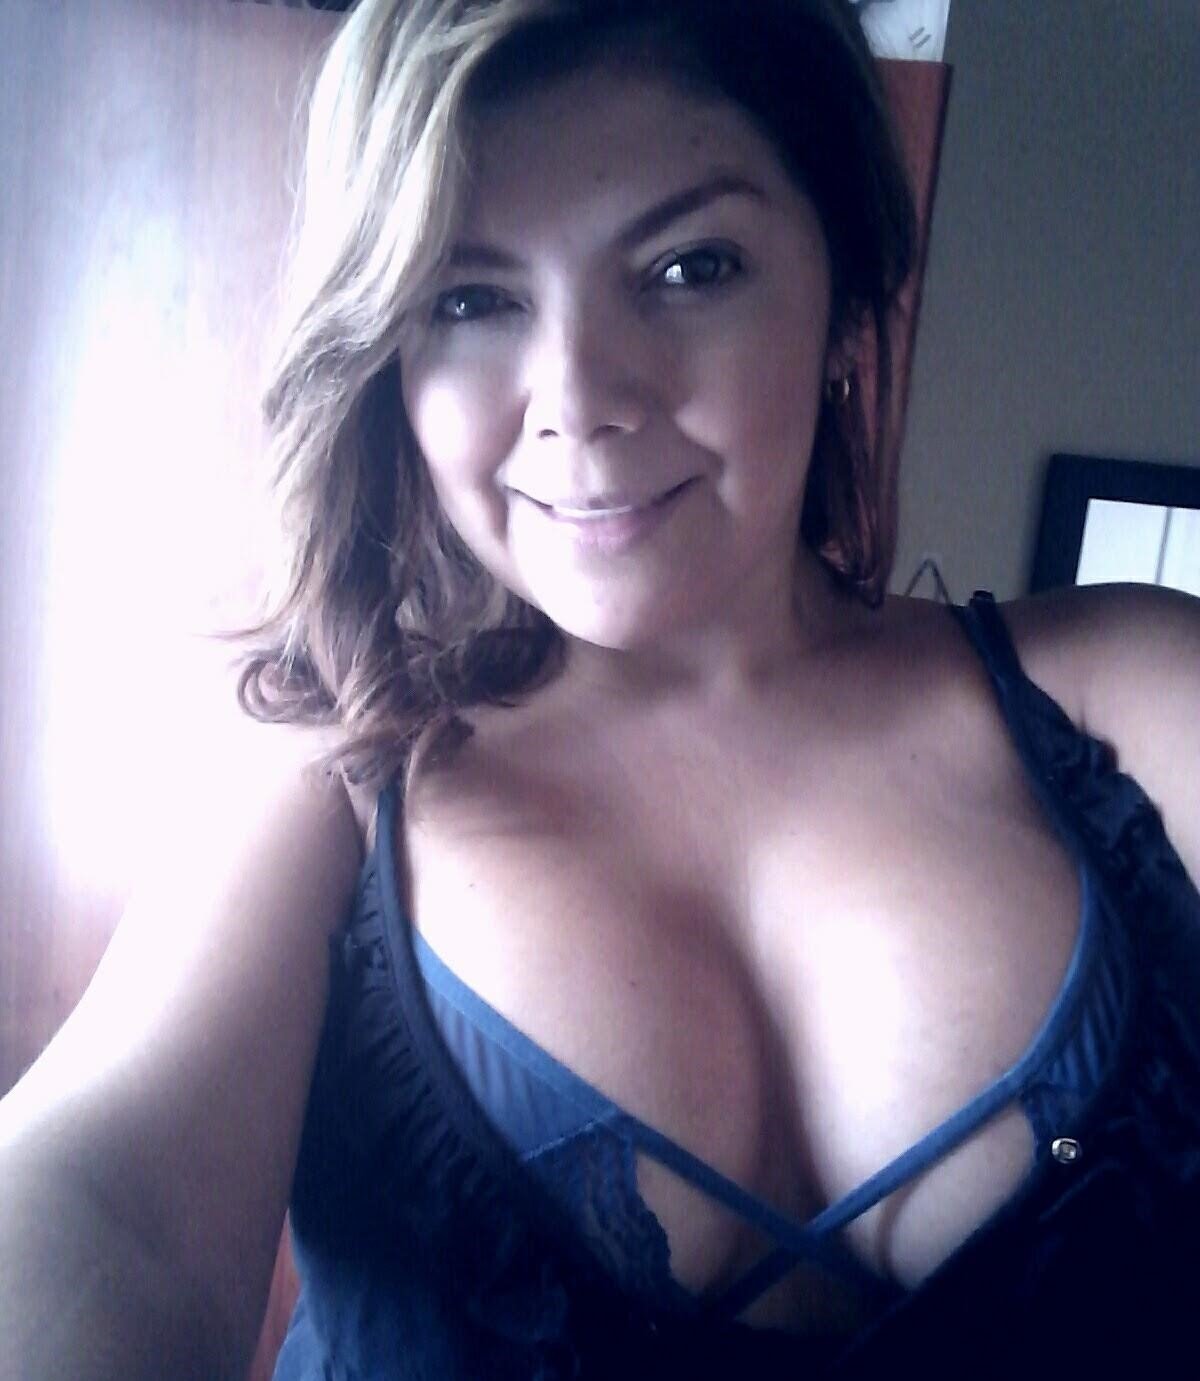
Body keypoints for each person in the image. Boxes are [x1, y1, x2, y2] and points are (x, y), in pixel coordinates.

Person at [2, 1, 1198, 1377]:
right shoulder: (328, 779)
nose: (577, 397)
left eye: (690, 267)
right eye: (469, 299)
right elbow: (106, 1206)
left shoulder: (1136, 696)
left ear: (846, 298)